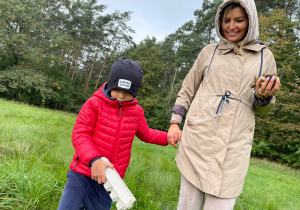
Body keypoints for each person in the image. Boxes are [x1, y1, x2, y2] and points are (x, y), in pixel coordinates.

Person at [167, 0, 281, 209]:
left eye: (239, 20)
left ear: (251, 21)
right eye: (226, 20)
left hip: (235, 146)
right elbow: (187, 88)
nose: (231, 26)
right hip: (198, 139)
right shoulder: (209, 52)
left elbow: (264, 109)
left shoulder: (265, 56)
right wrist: (175, 121)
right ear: (219, 21)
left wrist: (264, 98)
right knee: (187, 205)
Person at [58, 57, 175, 209]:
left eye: (126, 92)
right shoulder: (94, 104)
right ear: (111, 84)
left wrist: (167, 137)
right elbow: (80, 134)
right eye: (117, 89)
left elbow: (147, 134)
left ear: (135, 91)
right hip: (82, 175)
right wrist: (94, 160)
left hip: (109, 182)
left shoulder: (136, 112)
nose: (121, 95)